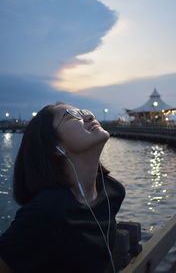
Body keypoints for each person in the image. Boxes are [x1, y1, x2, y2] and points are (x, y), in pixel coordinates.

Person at [0, 103, 125, 273]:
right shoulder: (47, 210)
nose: (89, 117)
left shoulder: (112, 190)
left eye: (85, 112)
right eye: (73, 116)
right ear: (54, 146)